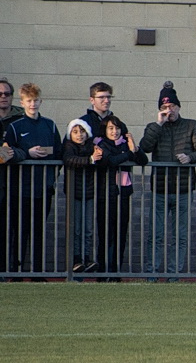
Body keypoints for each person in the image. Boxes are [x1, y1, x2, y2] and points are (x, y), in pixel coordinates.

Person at [140, 81, 196, 281]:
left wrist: (190, 157)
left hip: (183, 189)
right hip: (159, 189)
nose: (169, 110)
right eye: (164, 107)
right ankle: (152, 274)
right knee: (156, 235)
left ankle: (173, 274)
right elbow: (145, 147)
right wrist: (158, 124)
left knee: (180, 236)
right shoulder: (154, 127)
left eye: (172, 107)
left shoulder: (191, 125)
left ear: (179, 106)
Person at [5, 83, 62, 276]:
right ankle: (16, 271)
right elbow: (5, 154)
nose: (33, 104)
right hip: (19, 189)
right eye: (29, 101)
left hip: (42, 188)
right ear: (22, 103)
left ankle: (37, 272)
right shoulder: (14, 126)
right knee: (18, 231)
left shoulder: (50, 125)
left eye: (36, 100)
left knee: (38, 231)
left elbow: (58, 152)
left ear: (41, 101)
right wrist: (27, 153)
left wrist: (43, 154)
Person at [97, 115, 148, 277]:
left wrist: (135, 149)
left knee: (121, 232)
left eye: (117, 128)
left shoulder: (126, 145)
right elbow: (111, 161)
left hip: (123, 194)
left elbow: (143, 161)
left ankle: (116, 270)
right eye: (111, 128)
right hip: (106, 195)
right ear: (105, 130)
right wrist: (129, 153)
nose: (114, 131)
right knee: (106, 233)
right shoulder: (101, 144)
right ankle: (103, 270)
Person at [62, 119, 101, 273]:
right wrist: (90, 160)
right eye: (75, 132)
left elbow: (102, 159)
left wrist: (98, 155)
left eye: (82, 131)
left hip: (89, 192)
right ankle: (76, 259)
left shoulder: (92, 146)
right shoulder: (68, 146)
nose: (79, 135)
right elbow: (69, 159)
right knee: (76, 228)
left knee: (88, 228)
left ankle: (87, 257)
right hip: (74, 193)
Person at [0, 77, 25, 275]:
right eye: (0, 94)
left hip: (16, 183)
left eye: (7, 94)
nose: (3, 97)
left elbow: (25, 149)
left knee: (16, 227)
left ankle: (14, 271)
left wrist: (12, 154)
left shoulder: (21, 120)